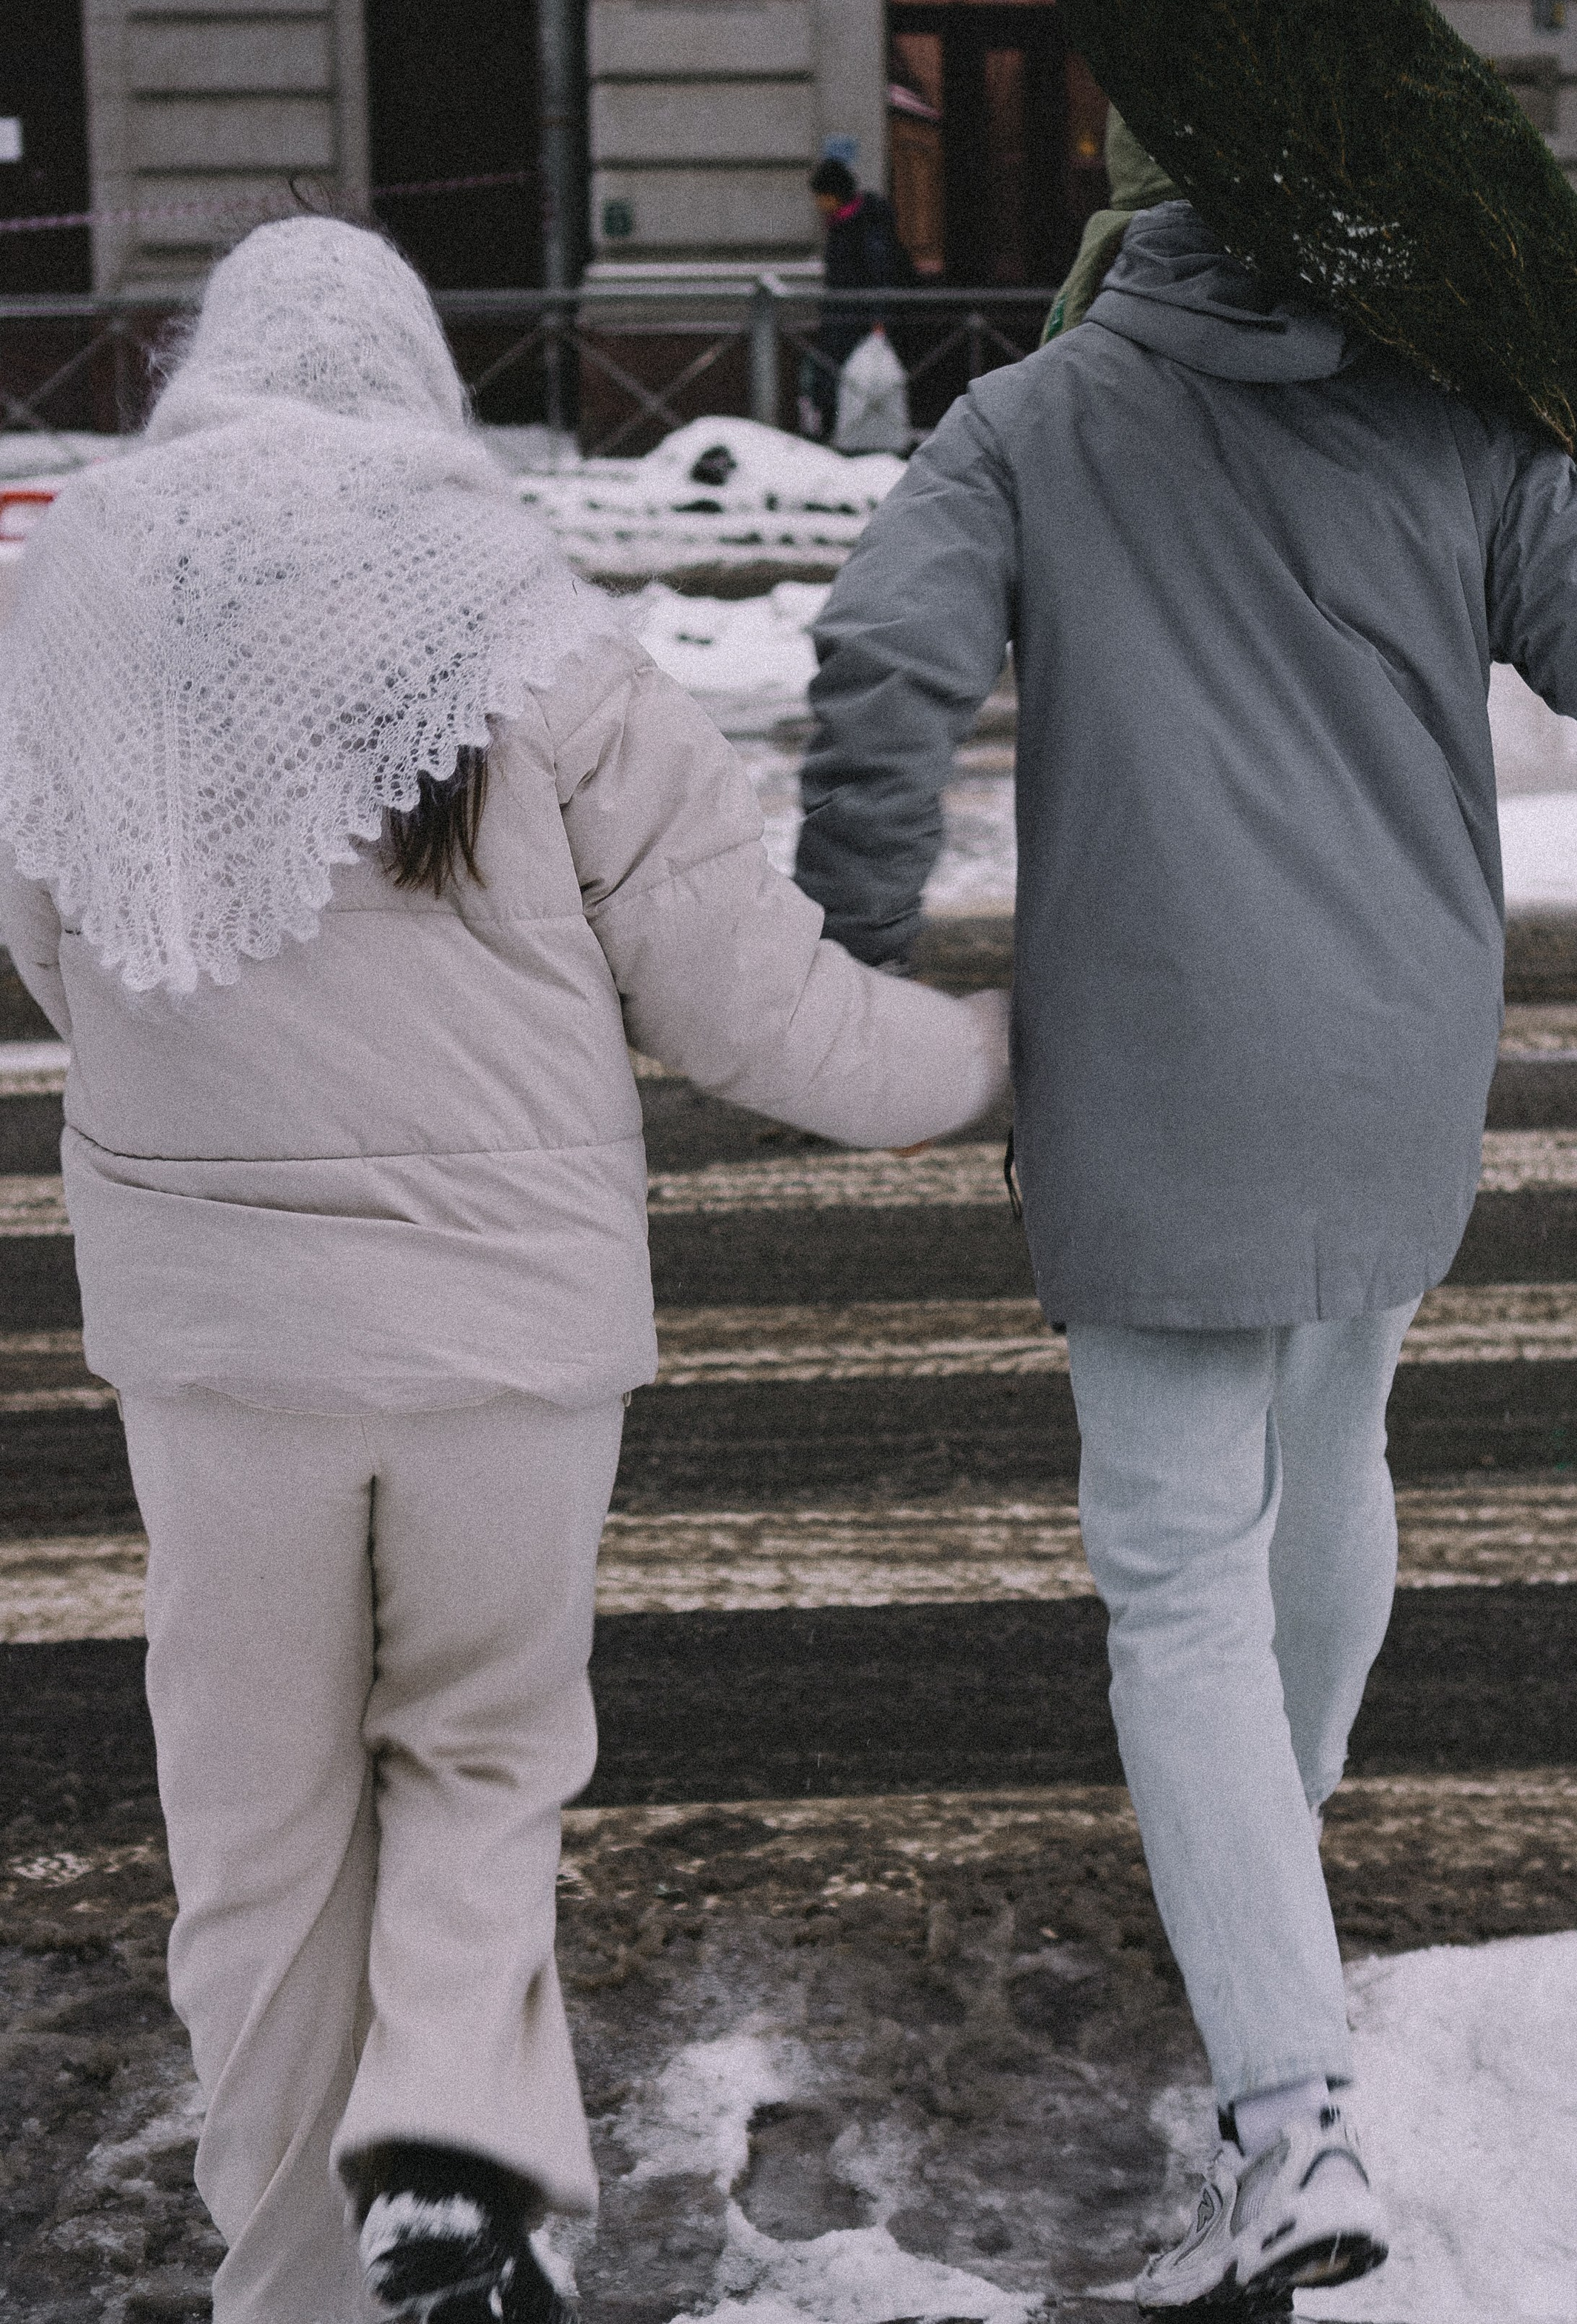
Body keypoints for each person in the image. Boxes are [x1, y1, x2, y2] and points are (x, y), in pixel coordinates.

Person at [0, 217, 1009, 2324]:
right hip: (509, 1334)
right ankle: (452, 2143)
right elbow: (760, 1014)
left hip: (216, 1345)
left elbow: (51, 952)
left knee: (258, 1851)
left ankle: (296, 2289)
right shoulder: (538, 642)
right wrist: (994, 1066)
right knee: (480, 1748)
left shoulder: (70, 613)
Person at [794, 195, 1577, 2307]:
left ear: (1122, 239)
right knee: (1338, 1448)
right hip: (1399, 1055)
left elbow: (881, 666)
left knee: (1175, 1578)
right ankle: (1271, 1868)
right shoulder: (1449, 424)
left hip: (1153, 1064)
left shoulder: (1034, 420)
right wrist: (1540, 441)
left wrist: (851, 939)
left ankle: (1291, 2113)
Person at [805, 155, 911, 437]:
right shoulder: (843, 223)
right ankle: (838, 432)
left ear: (834, 194)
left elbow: (880, 273)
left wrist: (880, 319)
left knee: (842, 379)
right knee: (831, 378)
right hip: (842, 316)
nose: (818, 203)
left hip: (857, 321)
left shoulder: (866, 225)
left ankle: (847, 436)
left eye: (821, 196)